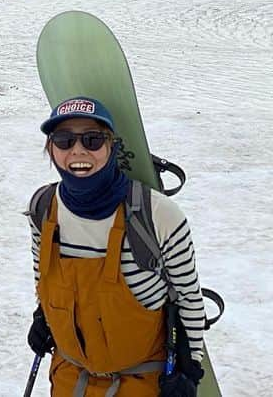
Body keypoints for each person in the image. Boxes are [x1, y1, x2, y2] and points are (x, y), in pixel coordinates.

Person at [26, 97, 206, 396]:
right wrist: (43, 315)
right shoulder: (43, 208)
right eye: (64, 140)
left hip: (140, 382)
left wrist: (190, 368)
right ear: (51, 149)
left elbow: (188, 296)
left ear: (112, 147)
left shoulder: (157, 215)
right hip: (70, 379)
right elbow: (42, 276)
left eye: (93, 139)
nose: (78, 150)